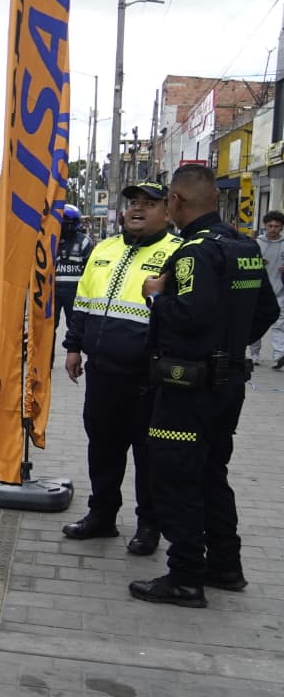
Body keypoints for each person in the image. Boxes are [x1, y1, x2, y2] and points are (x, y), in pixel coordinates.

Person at [133, 164, 280, 608]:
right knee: (213, 473)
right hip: (229, 383)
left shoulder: (194, 252)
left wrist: (156, 294)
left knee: (176, 477)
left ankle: (185, 577)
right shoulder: (244, 245)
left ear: (176, 202)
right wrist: (229, 344)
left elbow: (189, 316)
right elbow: (267, 312)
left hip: (186, 388)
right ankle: (225, 566)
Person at [61, 181, 183, 556]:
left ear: (167, 210)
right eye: (133, 202)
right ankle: (102, 516)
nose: (138, 209)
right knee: (103, 447)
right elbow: (83, 302)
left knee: (149, 455)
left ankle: (149, 525)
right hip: (102, 371)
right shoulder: (104, 249)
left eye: (149, 203)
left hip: (148, 375)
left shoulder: (177, 253)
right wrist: (73, 347)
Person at [248, 210, 284, 368]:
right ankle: (254, 354)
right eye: (270, 226)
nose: (273, 229)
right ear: (265, 226)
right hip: (258, 291)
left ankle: (279, 355)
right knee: (257, 321)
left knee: (279, 324)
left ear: (281, 227)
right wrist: (256, 264)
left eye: (277, 226)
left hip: (280, 290)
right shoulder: (255, 244)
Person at [54, 204, 94, 329]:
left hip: (75, 292)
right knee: (48, 327)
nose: (62, 226)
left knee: (75, 326)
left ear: (74, 224)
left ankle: (73, 348)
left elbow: (91, 271)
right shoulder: (51, 240)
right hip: (53, 291)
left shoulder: (84, 242)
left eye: (65, 223)